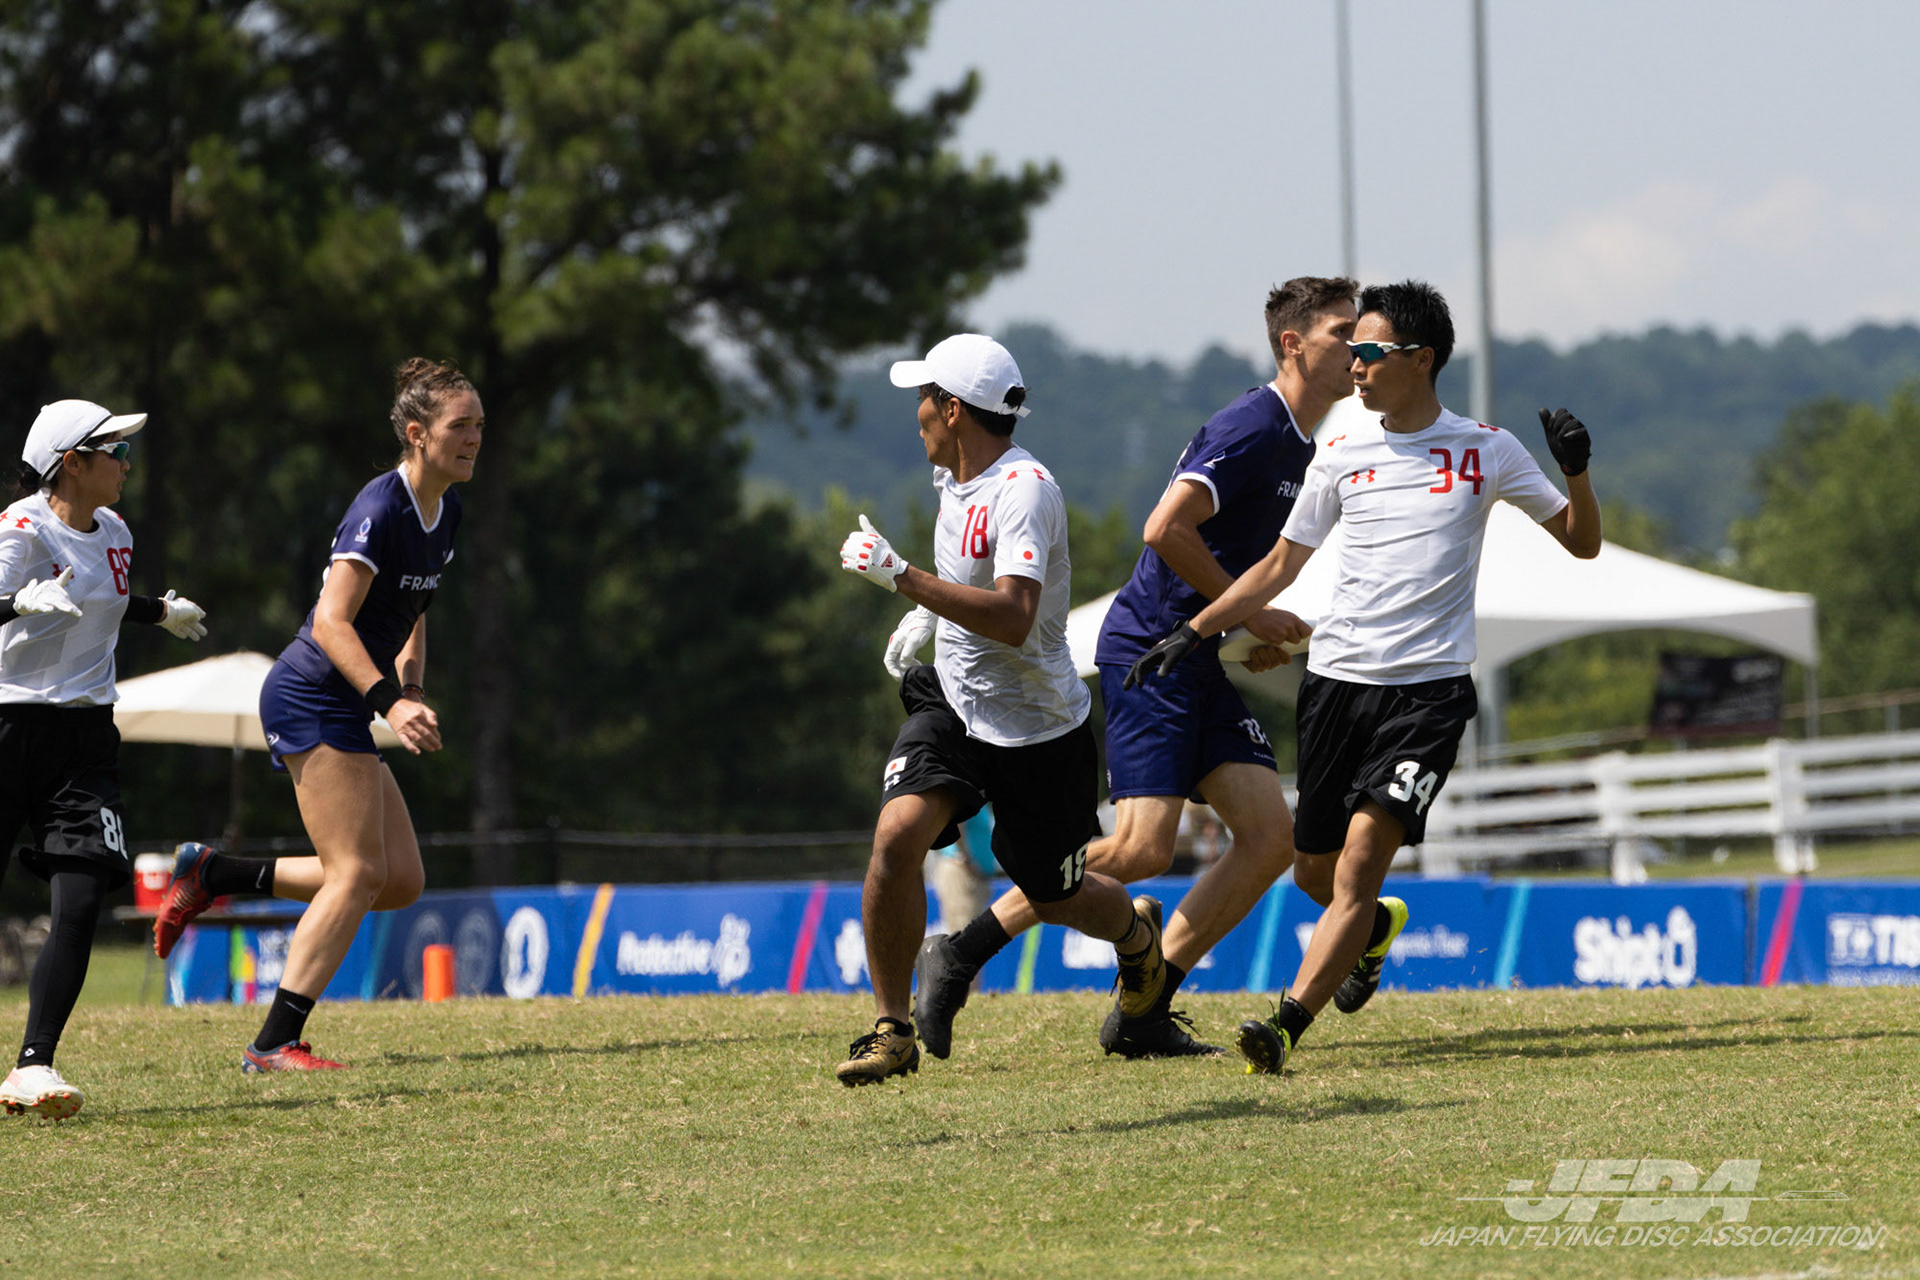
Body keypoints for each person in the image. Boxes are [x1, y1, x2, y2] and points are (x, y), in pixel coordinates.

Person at [1127, 280, 1601, 1074]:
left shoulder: (1488, 450)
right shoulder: (1341, 453)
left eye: (1371, 351)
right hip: (1335, 687)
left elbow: (1582, 543)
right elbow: (1279, 566)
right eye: (1351, 350)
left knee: (1356, 867)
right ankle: (1373, 931)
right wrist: (1195, 630)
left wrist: (1577, 473)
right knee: (1314, 870)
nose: (1355, 364)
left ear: (1421, 360)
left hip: (1428, 696)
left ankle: (1284, 1026)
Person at [909, 278, 1357, 1061]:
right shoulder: (1255, 423)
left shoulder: (1298, 442)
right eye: (1343, 333)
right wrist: (1249, 612)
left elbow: (1224, 556)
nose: (1361, 348)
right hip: (1153, 651)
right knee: (1145, 849)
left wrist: (1241, 627)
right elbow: (1164, 529)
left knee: (1267, 839)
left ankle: (1144, 1008)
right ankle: (961, 950)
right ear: (1293, 344)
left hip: (1196, 655)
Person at [834, 333, 1165, 1086]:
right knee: (896, 836)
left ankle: (1136, 935)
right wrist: (932, 615)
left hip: (1037, 730)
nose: (916, 413)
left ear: (953, 409)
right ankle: (891, 1030)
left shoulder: (1025, 490)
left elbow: (1015, 616)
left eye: (924, 399)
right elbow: (976, 580)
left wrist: (903, 578)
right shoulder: (952, 477)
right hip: (954, 701)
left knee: (1057, 895)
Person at [152, 358, 481, 1073]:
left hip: (349, 698)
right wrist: (388, 701)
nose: (474, 438)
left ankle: (217, 874)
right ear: (417, 433)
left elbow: (413, 608)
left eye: (480, 425)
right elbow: (332, 622)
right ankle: (273, 1043)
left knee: (400, 880)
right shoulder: (380, 507)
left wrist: (412, 686)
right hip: (310, 693)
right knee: (357, 873)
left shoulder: (446, 510)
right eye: (461, 426)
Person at [0, 400, 207, 1118]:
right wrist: (15, 603)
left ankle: (33, 1065)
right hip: (7, 725)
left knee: (83, 894)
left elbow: (103, 600)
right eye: (115, 450)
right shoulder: (21, 529)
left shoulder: (116, 531)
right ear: (71, 463)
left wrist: (159, 612)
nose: (126, 464)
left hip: (86, 738)